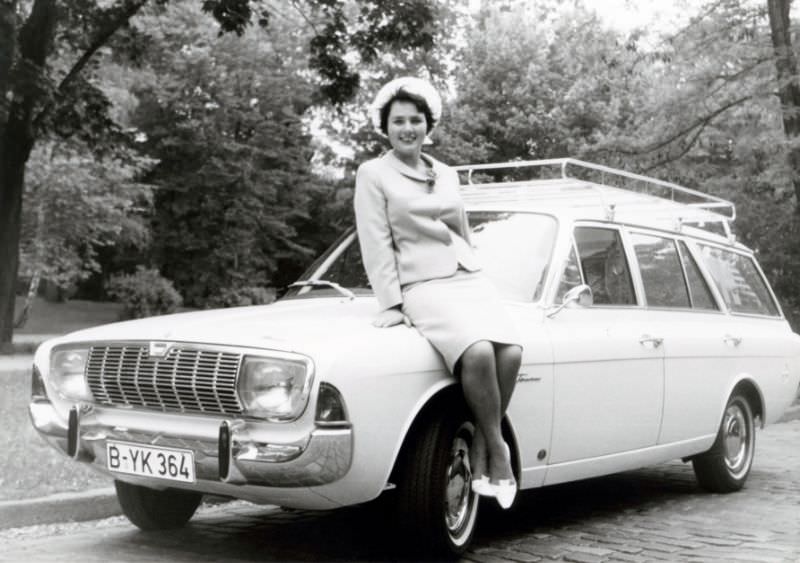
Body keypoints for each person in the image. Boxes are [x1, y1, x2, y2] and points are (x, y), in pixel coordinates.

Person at [353, 76, 523, 509]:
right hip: (421, 282)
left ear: (428, 125)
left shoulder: (446, 173)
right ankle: (498, 448)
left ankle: (482, 445)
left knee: (512, 352)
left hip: (466, 277)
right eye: (398, 121)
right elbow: (375, 240)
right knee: (479, 352)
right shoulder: (373, 174)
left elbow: (460, 228)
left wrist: (473, 261)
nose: (407, 128)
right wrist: (391, 302)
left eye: (415, 120)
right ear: (385, 127)